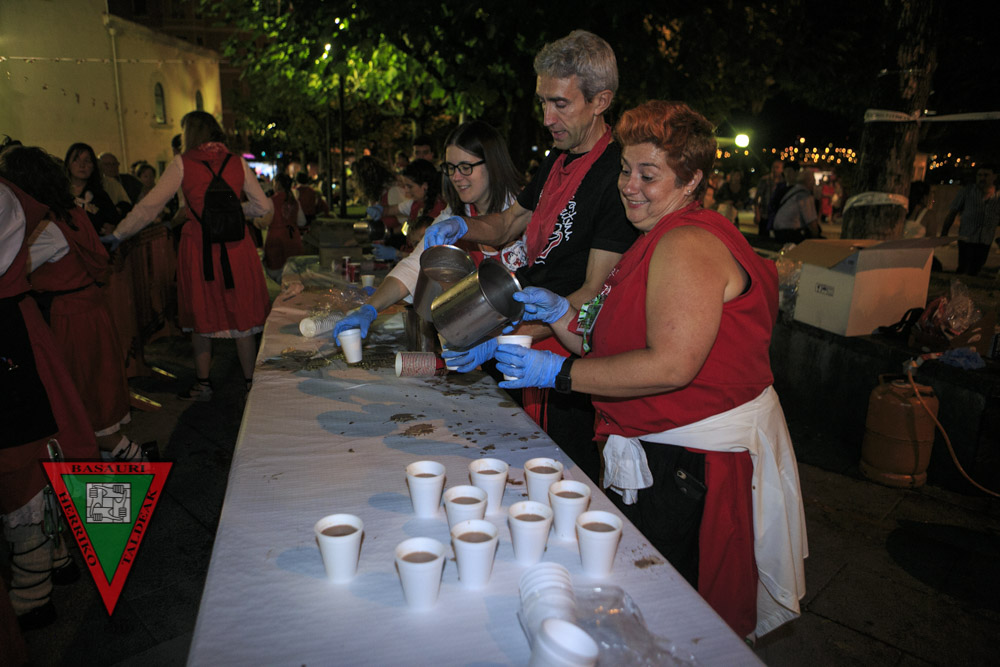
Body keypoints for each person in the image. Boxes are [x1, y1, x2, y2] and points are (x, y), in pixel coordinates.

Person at [491, 100, 806, 641]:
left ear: (692, 180)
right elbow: (607, 341)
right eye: (624, 169)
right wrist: (562, 315)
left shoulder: (686, 242)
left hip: (694, 468)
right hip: (667, 452)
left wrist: (558, 375)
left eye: (648, 174)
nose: (629, 186)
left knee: (683, 625)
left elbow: (670, 365)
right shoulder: (656, 234)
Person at [425, 30, 638, 483]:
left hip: (569, 359)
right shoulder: (558, 159)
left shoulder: (615, 176)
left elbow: (591, 294)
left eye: (560, 104)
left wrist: (507, 337)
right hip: (531, 344)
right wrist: (462, 226)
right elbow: (506, 224)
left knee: (564, 478)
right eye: (542, 102)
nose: (546, 118)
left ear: (600, 101)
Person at [106, 111, 273, 399]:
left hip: (200, 248)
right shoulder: (237, 162)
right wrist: (235, 210)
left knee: (201, 316)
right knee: (243, 317)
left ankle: (203, 384)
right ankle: (250, 384)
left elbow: (150, 206)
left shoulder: (182, 163)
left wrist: (120, 233)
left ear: (190, 134)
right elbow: (264, 207)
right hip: (236, 250)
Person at [1, 146, 149, 462]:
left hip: (70, 319)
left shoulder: (47, 227)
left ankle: (136, 464)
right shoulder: (68, 214)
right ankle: (117, 476)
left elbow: (13, 268)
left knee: (82, 407)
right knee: (95, 399)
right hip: (85, 313)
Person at [1, 177, 100, 630]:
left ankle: (33, 585)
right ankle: (55, 559)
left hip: (15, 335)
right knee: (43, 442)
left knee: (24, 455)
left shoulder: (6, 199)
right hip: (28, 326)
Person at [333, 120, 526, 342]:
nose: (456, 177)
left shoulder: (525, 209)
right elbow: (415, 265)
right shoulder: (453, 215)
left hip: (531, 341)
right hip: (482, 333)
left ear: (492, 164)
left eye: (465, 167)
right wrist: (370, 308)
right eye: (451, 168)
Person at [940, 166, 999, 276]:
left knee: (976, 269)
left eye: (986, 175)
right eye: (979, 175)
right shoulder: (967, 192)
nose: (982, 178)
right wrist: (944, 232)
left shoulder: (997, 196)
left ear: (994, 177)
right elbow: (953, 212)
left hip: (985, 239)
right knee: (963, 268)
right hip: (967, 238)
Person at [64, 143, 121, 235]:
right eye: (76, 160)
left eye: (87, 161)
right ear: (68, 164)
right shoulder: (59, 195)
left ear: (93, 166)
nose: (82, 165)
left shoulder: (100, 197)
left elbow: (114, 222)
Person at [263, 173, 305, 282]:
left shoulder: (270, 201)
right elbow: (302, 222)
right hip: (293, 239)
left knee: (277, 278)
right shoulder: (295, 201)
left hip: (275, 242)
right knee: (293, 278)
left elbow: (265, 221)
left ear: (277, 184)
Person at [768, 161, 820, 243]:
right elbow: (811, 222)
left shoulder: (793, 190)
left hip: (778, 230)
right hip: (790, 232)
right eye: (812, 180)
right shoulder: (804, 195)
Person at [753, 159, 784, 237]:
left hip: (777, 215)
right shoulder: (765, 180)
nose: (775, 170)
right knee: (763, 237)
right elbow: (757, 198)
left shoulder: (783, 182)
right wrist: (757, 213)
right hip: (765, 214)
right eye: (774, 167)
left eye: (777, 167)